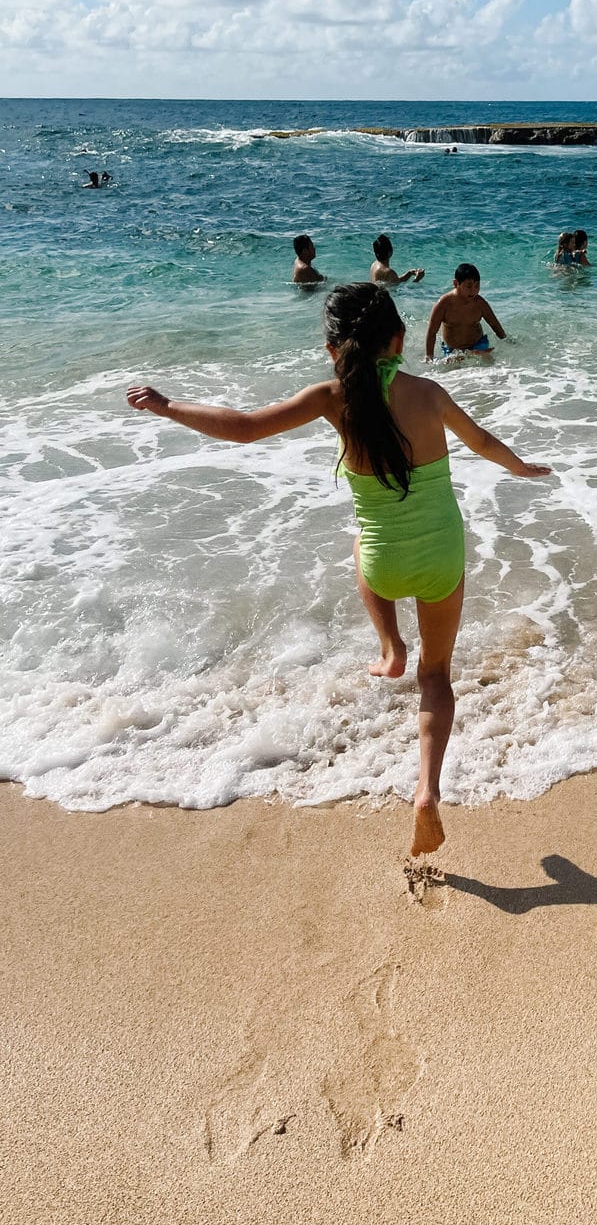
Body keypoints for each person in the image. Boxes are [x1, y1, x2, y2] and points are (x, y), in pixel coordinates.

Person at [126, 283, 550, 858]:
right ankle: (427, 790)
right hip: (441, 559)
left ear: (333, 350)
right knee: (438, 678)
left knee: (362, 542)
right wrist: (521, 468)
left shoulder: (331, 398)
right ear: (399, 341)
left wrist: (168, 406)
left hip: (384, 565)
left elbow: (245, 426)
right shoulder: (429, 393)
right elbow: (483, 441)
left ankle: (388, 647)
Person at [425, 263, 507, 358]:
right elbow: (432, 333)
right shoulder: (443, 304)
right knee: (453, 370)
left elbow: (495, 325)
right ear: (456, 284)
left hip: (478, 345)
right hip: (452, 349)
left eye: (477, 286)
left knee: (487, 366)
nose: (473, 291)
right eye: (469, 286)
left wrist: (506, 341)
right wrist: (429, 356)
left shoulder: (480, 303)